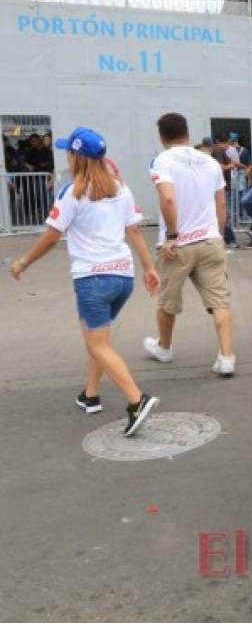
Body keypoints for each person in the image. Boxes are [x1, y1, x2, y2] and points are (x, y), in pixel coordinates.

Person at [8, 127, 160, 435]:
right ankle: (91, 394)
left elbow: (52, 236)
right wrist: (148, 268)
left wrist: (23, 261)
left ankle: (136, 401)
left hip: (93, 279)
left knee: (97, 342)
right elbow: (133, 231)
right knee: (95, 337)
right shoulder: (121, 188)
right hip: (122, 277)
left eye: (69, 152)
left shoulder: (72, 192)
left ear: (77, 156)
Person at [143, 113, 236, 377]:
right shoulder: (210, 161)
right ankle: (227, 356)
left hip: (179, 245)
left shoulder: (163, 161)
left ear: (162, 136)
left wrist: (172, 235)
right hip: (209, 239)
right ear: (187, 132)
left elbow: (168, 199)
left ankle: (164, 347)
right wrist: (217, 233)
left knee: (168, 300)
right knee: (219, 301)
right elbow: (221, 203)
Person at [210, 132, 239, 248]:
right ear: (226, 142)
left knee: (225, 213)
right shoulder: (219, 151)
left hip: (222, 186)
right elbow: (219, 166)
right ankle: (229, 238)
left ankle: (228, 237)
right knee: (225, 213)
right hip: (222, 187)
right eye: (228, 143)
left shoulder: (218, 151)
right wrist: (230, 166)